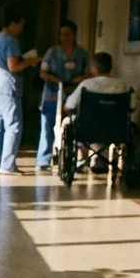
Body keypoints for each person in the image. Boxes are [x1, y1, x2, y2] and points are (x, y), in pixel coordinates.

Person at [0, 10, 41, 174]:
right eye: (21, 25)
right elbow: (13, 67)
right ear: (13, 23)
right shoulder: (11, 41)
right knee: (13, 125)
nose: (21, 29)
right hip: (6, 87)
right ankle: (7, 165)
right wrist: (30, 61)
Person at [63, 51, 137, 175]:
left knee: (68, 122)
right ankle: (100, 159)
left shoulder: (86, 85)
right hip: (117, 130)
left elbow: (68, 106)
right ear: (110, 67)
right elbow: (133, 107)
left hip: (87, 130)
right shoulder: (124, 85)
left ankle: (81, 153)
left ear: (94, 68)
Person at [36, 19, 92, 171]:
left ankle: (76, 158)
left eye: (67, 34)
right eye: (61, 35)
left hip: (74, 92)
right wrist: (57, 81)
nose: (64, 38)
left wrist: (77, 80)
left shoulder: (82, 53)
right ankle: (43, 159)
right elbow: (43, 72)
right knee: (48, 125)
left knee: (75, 124)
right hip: (53, 92)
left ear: (74, 35)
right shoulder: (52, 52)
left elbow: (89, 72)